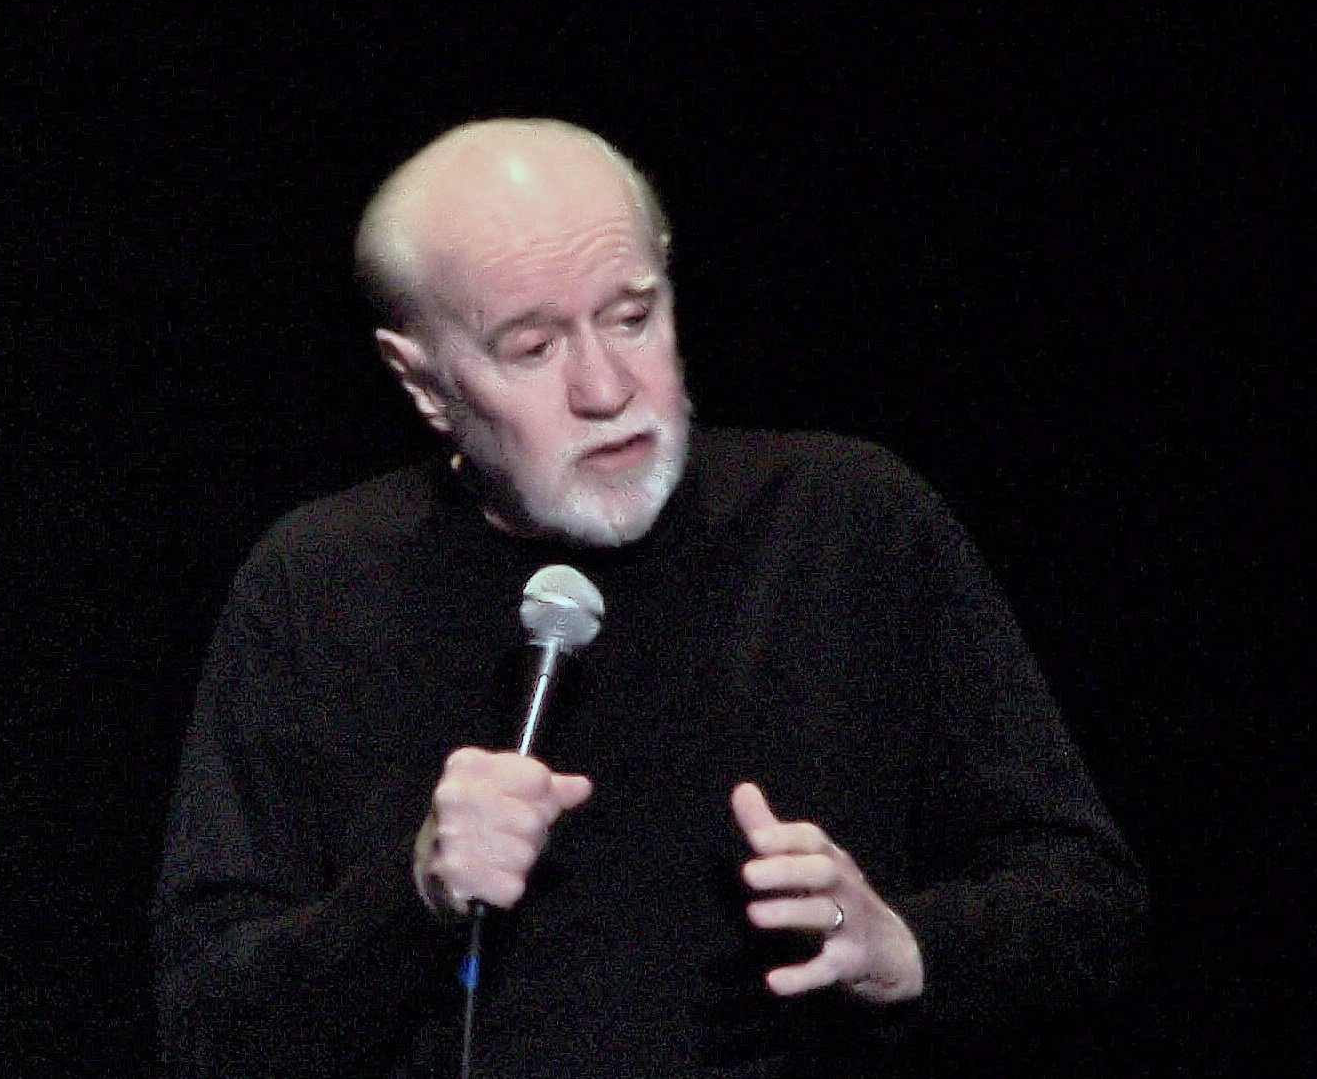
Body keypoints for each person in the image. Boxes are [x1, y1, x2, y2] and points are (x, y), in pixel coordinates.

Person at [153, 119, 1147, 1077]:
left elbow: (1089, 905)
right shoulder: (315, 586)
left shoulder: (846, 523)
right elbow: (209, 1029)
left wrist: (908, 948)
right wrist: (407, 898)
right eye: (532, 348)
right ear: (418, 379)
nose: (604, 386)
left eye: (632, 315)